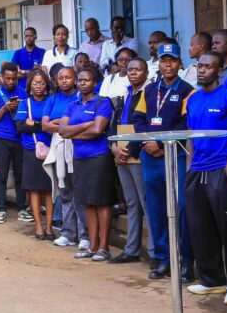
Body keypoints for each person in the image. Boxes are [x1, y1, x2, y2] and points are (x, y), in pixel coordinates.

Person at [185, 52, 227, 305]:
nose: (202, 70)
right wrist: (189, 167)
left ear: (219, 71)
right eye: (200, 66)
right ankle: (212, 280)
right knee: (200, 228)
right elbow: (190, 134)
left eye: (208, 67)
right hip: (197, 169)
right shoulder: (194, 99)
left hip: (221, 167)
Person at [132, 42, 195, 280]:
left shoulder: (188, 91)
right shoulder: (149, 90)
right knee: (156, 209)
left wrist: (161, 143)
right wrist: (149, 143)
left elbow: (185, 123)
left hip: (175, 156)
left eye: (173, 60)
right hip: (151, 158)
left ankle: (186, 261)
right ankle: (162, 260)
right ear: (158, 63)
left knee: (180, 209)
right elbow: (138, 119)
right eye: (164, 60)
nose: (168, 64)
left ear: (180, 63)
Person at [59, 67, 116, 260]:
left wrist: (75, 131)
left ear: (95, 83)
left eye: (87, 80)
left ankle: (104, 247)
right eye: (80, 80)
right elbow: (62, 131)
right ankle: (92, 246)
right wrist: (85, 125)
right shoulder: (73, 104)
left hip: (99, 157)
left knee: (101, 201)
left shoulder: (102, 102)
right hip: (79, 157)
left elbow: (98, 129)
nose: (82, 83)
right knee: (86, 202)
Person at [108, 57, 151, 265]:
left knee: (146, 203)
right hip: (121, 151)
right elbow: (114, 123)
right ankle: (131, 248)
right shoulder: (125, 93)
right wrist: (114, 148)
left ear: (146, 73)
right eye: (131, 69)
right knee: (132, 203)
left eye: (138, 69)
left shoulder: (149, 94)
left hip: (138, 152)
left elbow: (144, 126)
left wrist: (129, 150)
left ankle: (155, 252)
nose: (133, 72)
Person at [42, 66, 89, 252]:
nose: (64, 81)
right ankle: (68, 233)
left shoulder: (80, 98)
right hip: (59, 147)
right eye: (60, 78)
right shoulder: (52, 99)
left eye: (68, 77)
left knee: (80, 193)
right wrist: (64, 125)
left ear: (75, 79)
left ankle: (85, 235)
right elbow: (45, 125)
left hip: (78, 147)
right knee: (66, 192)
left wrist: (60, 124)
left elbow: (79, 124)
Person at [0, 62, 28, 224]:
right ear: (2, 78)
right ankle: (1, 209)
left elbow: (27, 117)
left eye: (14, 79)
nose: (11, 82)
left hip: (19, 139)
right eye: (8, 78)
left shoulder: (23, 94)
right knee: (1, 176)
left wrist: (18, 109)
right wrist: (4, 108)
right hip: (2, 139)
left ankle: (21, 208)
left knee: (20, 176)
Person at [15, 68, 54, 239]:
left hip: (51, 150)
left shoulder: (51, 101)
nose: (38, 86)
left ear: (47, 85)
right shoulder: (25, 103)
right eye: (35, 83)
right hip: (31, 150)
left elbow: (54, 125)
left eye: (42, 83)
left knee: (49, 190)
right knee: (34, 190)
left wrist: (35, 123)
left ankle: (49, 227)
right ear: (30, 86)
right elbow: (20, 126)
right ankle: (39, 226)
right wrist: (43, 124)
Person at [13, 27, 46, 92]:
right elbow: (15, 74)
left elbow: (40, 71)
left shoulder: (42, 52)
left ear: (35, 37)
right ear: (24, 38)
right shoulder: (18, 53)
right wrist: (32, 72)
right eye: (26, 36)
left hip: (38, 88)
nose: (28, 38)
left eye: (31, 36)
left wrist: (22, 71)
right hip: (21, 89)